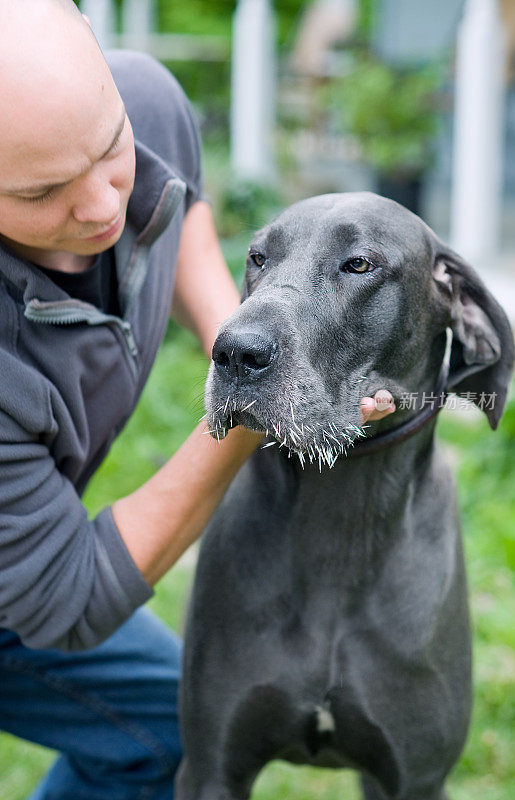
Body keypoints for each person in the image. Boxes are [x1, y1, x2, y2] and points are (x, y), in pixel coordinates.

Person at [0, 1, 396, 798]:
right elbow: (64, 602)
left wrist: (265, 348)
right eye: (44, 193)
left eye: (111, 150)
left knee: (168, 729)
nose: (105, 205)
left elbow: (173, 202)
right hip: (30, 589)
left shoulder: (143, 101)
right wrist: (256, 408)